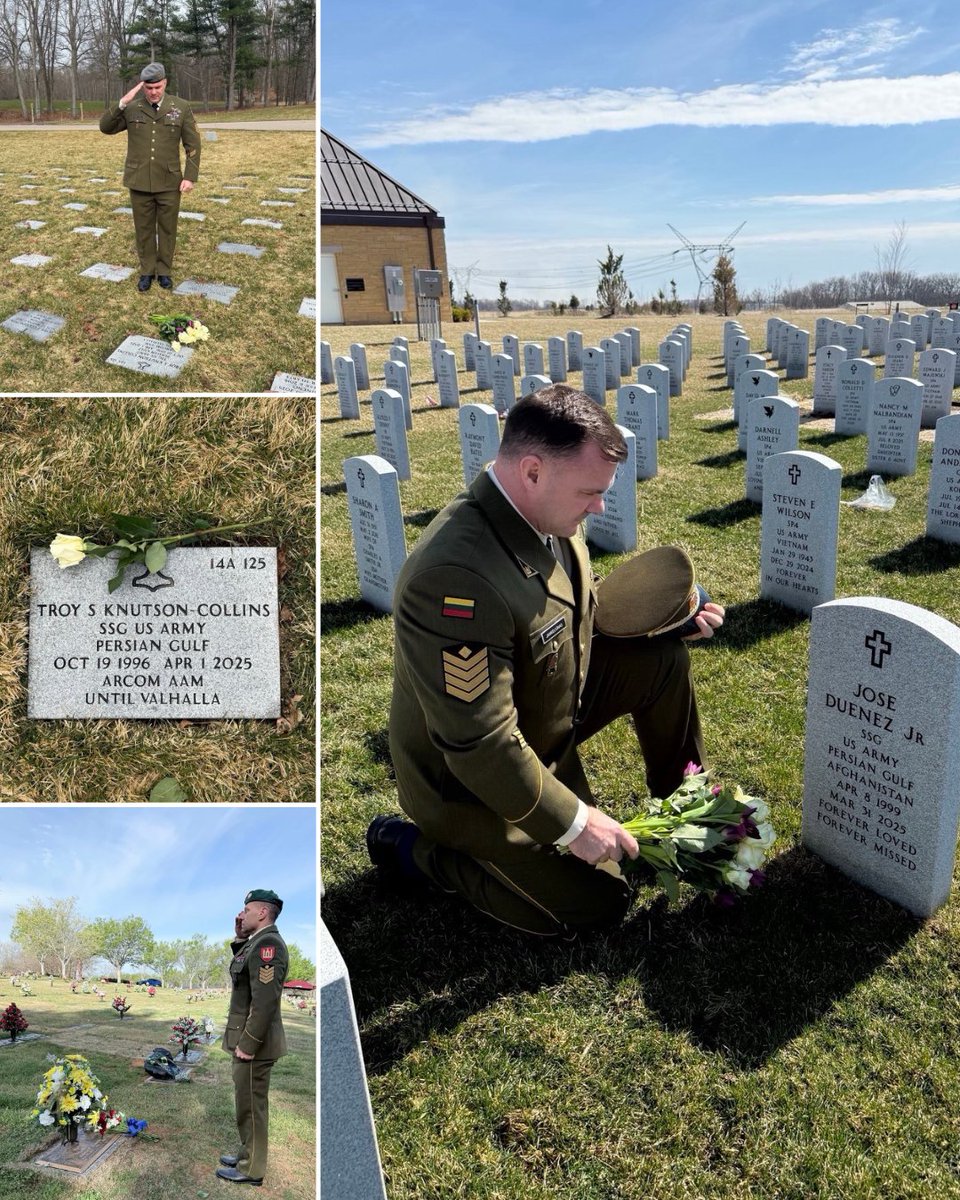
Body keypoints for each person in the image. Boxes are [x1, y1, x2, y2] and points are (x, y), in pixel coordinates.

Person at [368, 384, 724, 937]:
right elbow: (480, 744)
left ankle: (684, 804)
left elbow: (570, 609)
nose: (600, 505)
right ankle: (419, 852)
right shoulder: (455, 580)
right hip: (472, 787)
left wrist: (667, 624)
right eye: (590, 491)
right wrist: (578, 824)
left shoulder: (546, 514)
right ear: (532, 471)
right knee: (596, 904)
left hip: (546, 708)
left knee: (662, 660)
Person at [98, 63, 201, 293]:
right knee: (143, 229)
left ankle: (164, 271)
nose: (153, 92)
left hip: (169, 181)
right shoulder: (133, 108)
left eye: (157, 86)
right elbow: (105, 127)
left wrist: (190, 177)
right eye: (148, 87)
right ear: (142, 87)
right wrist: (122, 102)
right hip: (139, 180)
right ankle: (147, 270)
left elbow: (193, 145)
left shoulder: (181, 107)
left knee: (167, 228)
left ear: (165, 83)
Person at [217, 889, 288, 1187]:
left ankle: (252, 1170)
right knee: (245, 1105)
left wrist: (247, 1045)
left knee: (252, 1108)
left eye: (245, 911)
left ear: (261, 912)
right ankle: (248, 1153)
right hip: (248, 1042)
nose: (240, 915)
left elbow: (265, 1002)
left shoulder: (268, 945)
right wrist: (239, 937)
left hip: (254, 1046)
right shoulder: (256, 943)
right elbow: (243, 974)